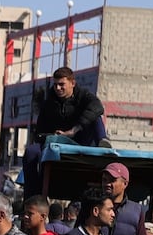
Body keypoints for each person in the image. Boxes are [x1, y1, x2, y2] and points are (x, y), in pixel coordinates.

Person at [22, 67, 107, 196]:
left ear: (72, 83)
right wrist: (52, 136)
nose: (58, 88)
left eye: (62, 85)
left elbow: (98, 107)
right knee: (31, 152)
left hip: (82, 140)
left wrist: (73, 130)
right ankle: (32, 196)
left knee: (95, 116)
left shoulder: (84, 96)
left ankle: (103, 142)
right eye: (55, 85)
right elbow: (39, 132)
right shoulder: (48, 104)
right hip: (56, 142)